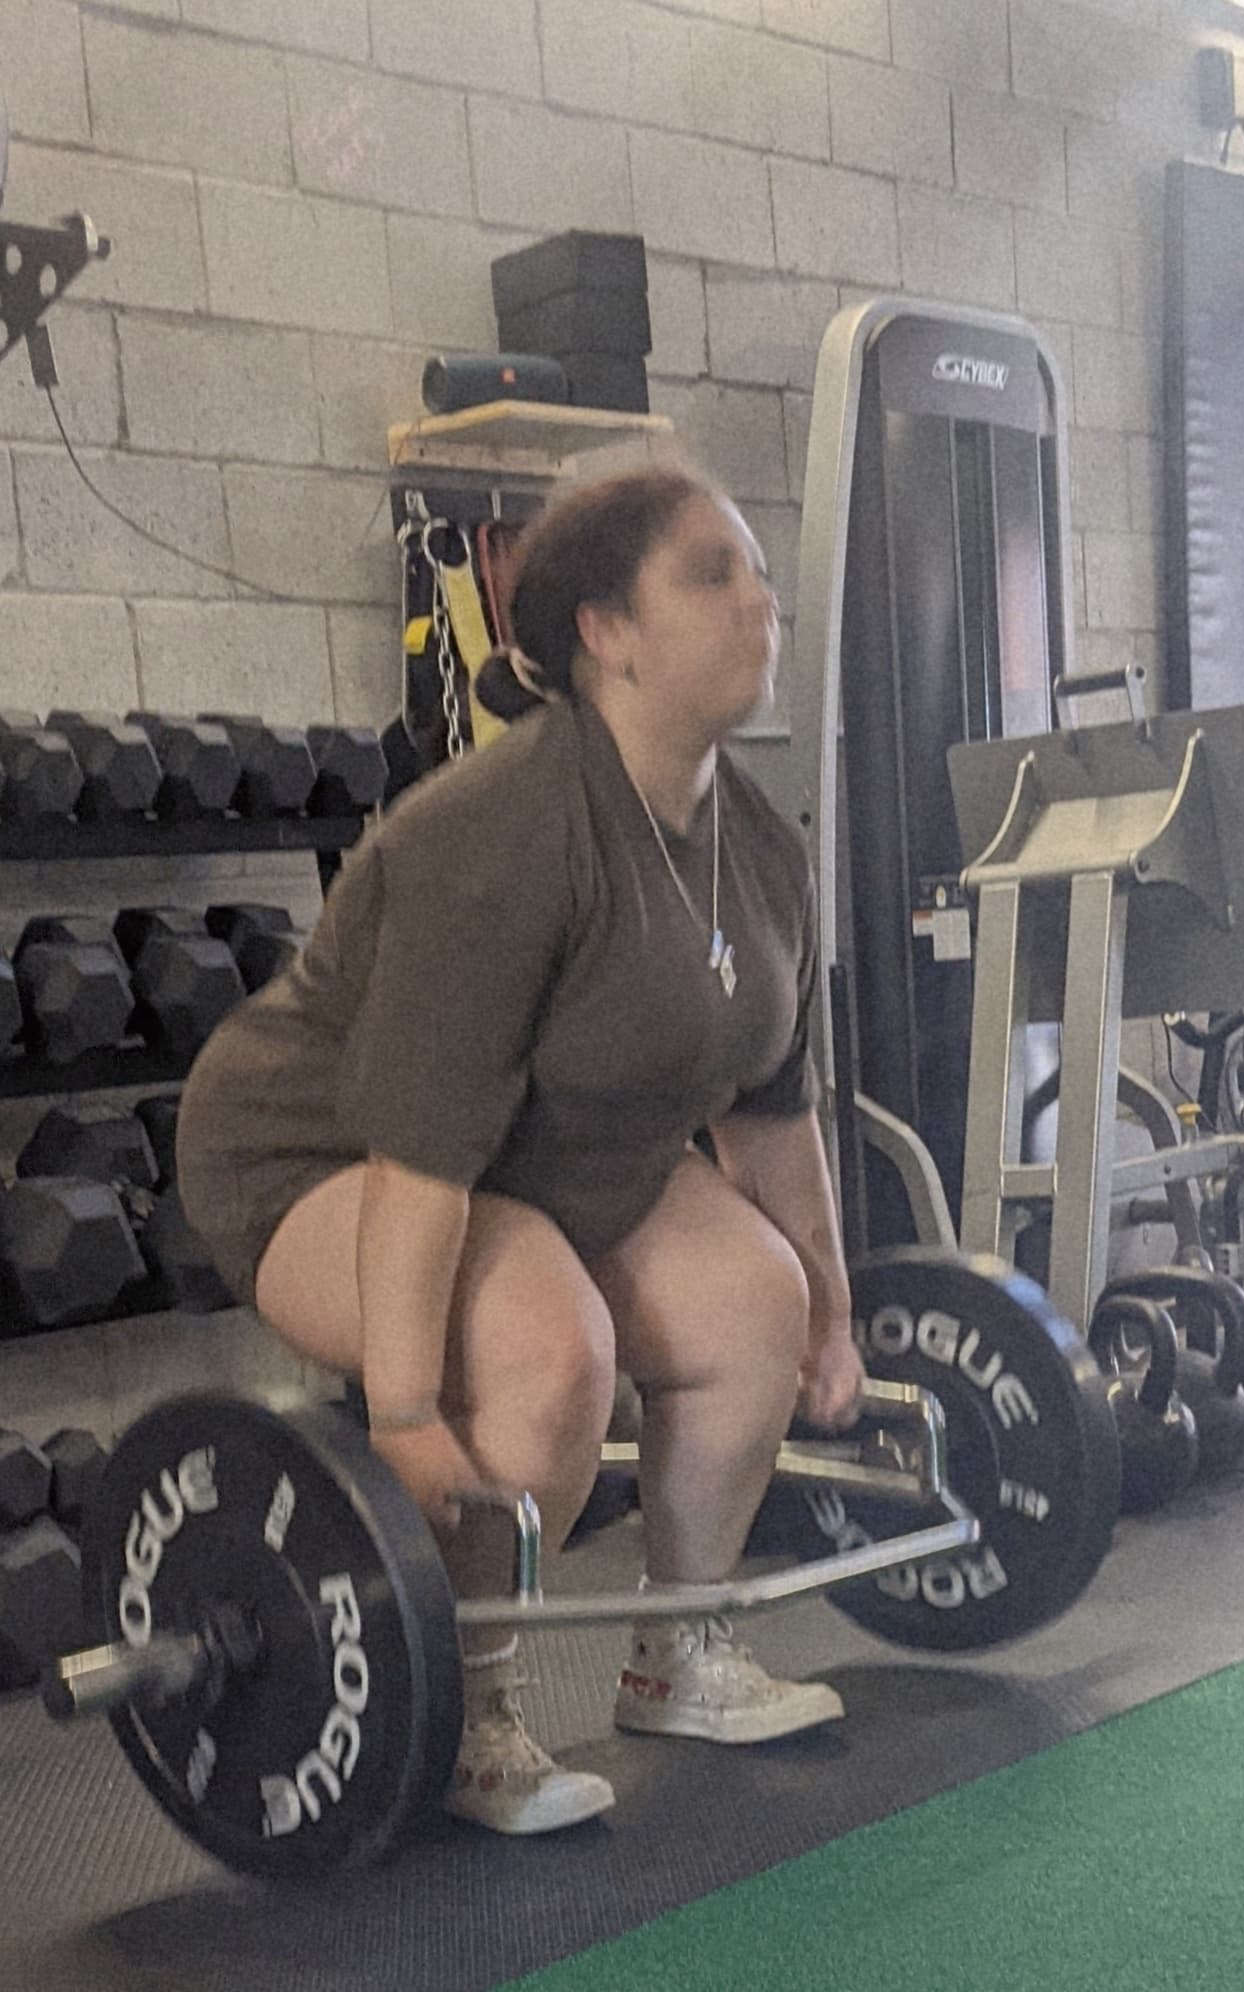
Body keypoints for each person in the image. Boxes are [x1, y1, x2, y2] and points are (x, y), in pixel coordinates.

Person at [174, 465, 865, 1837]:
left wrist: (835, 1319)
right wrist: (403, 1413)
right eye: (713, 574)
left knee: (756, 1303)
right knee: (553, 1353)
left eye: (757, 573)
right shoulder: (496, 834)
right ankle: (466, 1714)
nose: (760, 601)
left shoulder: (761, 853)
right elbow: (424, 1151)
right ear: (606, 633)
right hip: (319, 1152)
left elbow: (776, 1125)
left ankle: (682, 1650)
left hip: (539, 1156)